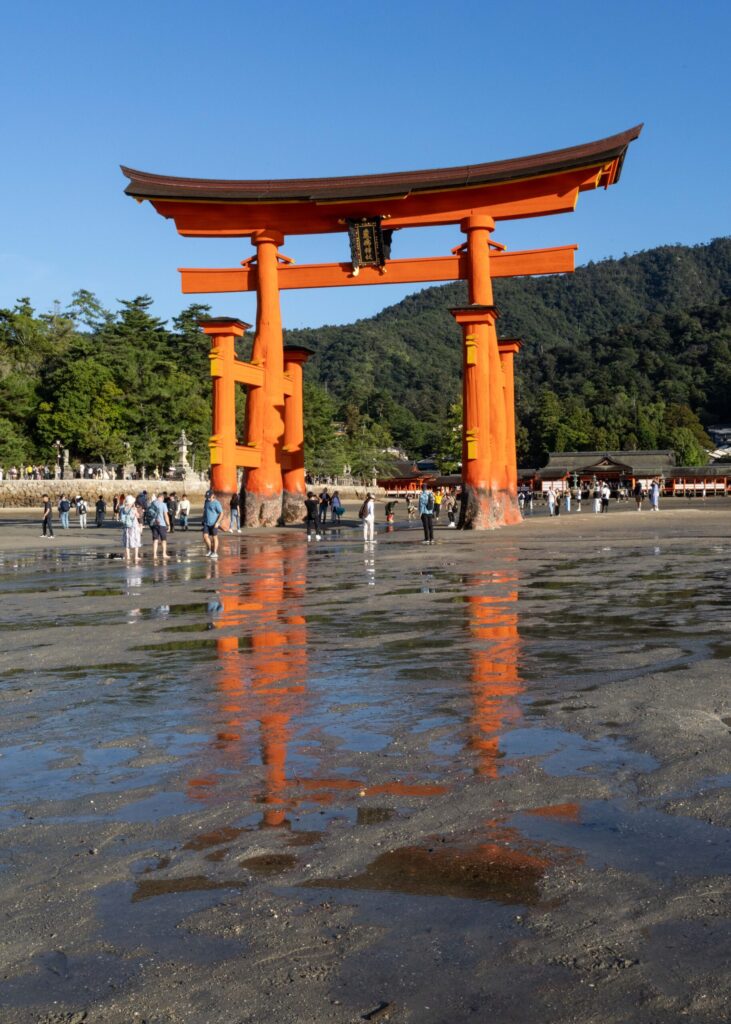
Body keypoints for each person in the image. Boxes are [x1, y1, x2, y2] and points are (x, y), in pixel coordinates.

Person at [147, 492, 171, 560]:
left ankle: (154, 555)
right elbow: (166, 515)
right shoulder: (163, 504)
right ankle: (164, 554)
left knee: (155, 540)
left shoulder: (152, 503)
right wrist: (168, 525)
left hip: (153, 523)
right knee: (163, 540)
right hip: (161, 524)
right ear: (162, 498)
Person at [120, 494, 143, 564]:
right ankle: (136, 556)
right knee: (136, 540)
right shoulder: (133, 509)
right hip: (134, 526)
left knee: (127, 541)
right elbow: (138, 516)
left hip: (126, 527)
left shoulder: (122, 509)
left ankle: (128, 556)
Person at [202, 489, 223, 558]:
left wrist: (217, 522)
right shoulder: (206, 502)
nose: (208, 498)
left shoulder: (216, 503)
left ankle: (215, 552)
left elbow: (221, 513)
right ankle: (210, 550)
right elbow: (205, 511)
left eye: (209, 497)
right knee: (205, 537)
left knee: (214, 537)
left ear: (213, 496)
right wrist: (203, 519)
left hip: (214, 523)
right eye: (207, 497)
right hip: (206, 523)